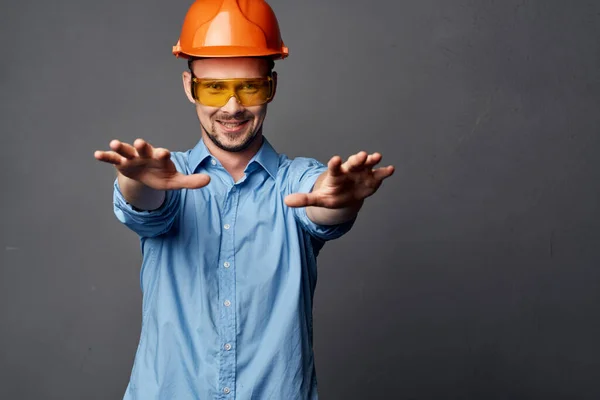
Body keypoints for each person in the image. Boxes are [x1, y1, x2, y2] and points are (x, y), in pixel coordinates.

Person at [94, 0, 394, 398]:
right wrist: (137, 182)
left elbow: (322, 204)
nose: (232, 107)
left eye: (248, 86)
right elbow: (146, 204)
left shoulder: (295, 181)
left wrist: (340, 199)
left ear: (271, 87)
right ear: (190, 87)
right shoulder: (170, 179)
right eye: (215, 87)